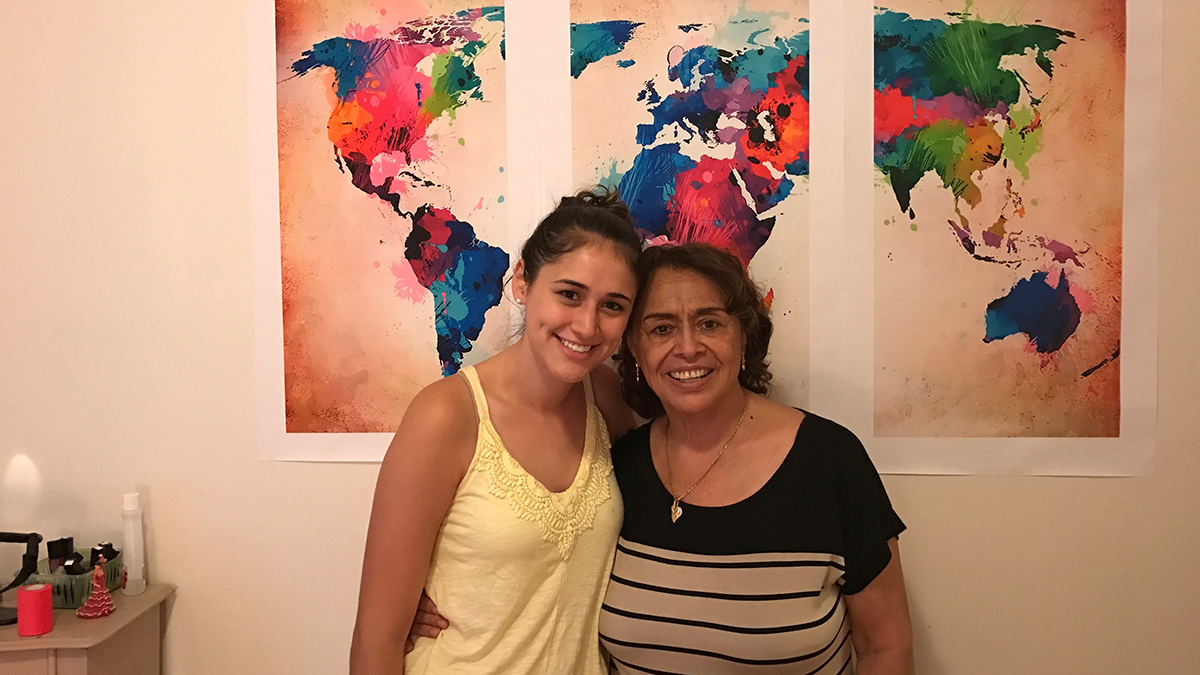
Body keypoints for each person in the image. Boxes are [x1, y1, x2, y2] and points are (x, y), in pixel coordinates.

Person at [409, 242, 915, 674]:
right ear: (632, 346)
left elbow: (885, 647)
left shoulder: (828, 462)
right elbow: (550, 570)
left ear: (744, 335)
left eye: (709, 323)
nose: (687, 348)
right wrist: (430, 602)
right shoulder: (619, 469)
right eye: (661, 328)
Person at [349, 188, 641, 675]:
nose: (587, 326)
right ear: (523, 281)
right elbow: (376, 639)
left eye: (613, 305)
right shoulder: (447, 416)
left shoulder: (605, 399)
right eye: (569, 294)